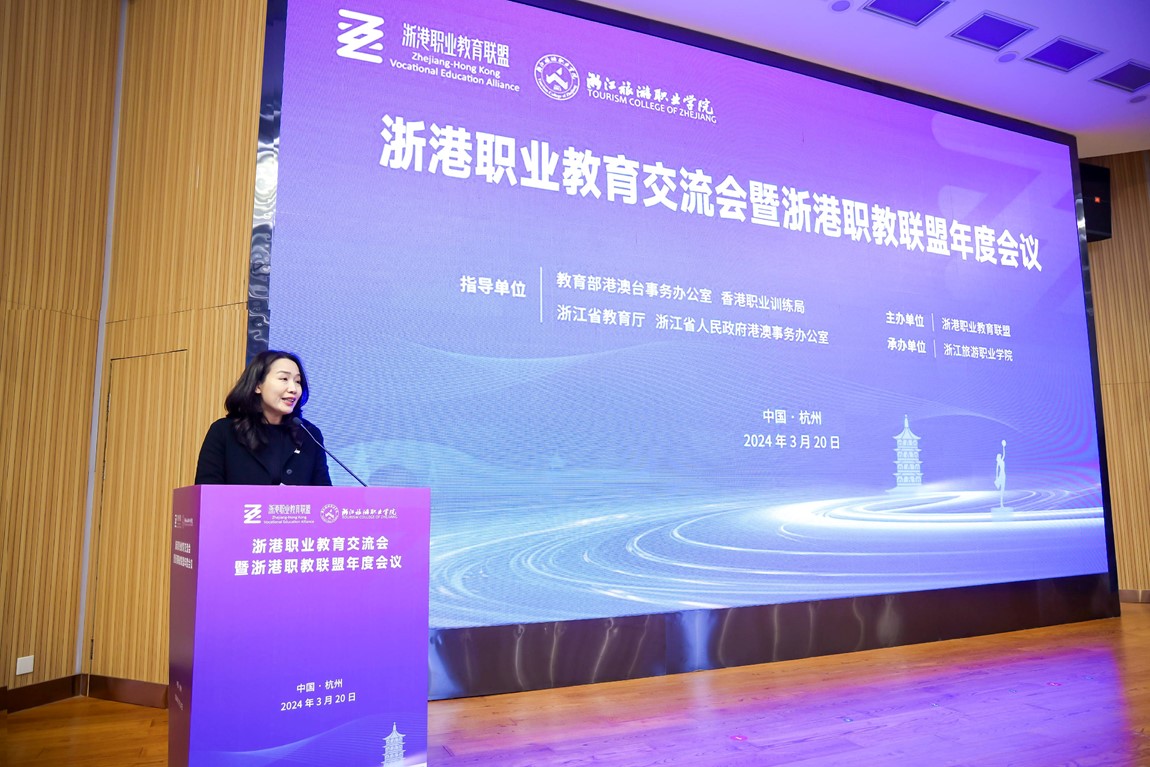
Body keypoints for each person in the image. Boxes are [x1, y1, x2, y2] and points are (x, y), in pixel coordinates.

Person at [194, 350, 332, 485]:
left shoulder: (309, 434)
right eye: (284, 379)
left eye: (298, 381)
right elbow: (207, 491)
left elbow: (325, 494)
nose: (293, 389)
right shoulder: (224, 431)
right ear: (257, 385)